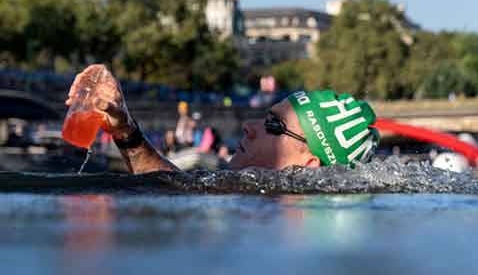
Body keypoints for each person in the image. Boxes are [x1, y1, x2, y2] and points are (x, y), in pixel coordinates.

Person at [65, 64, 379, 174]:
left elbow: (173, 194)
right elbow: (176, 189)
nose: (249, 126)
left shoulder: (269, 217)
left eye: (273, 125)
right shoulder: (255, 198)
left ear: (309, 165)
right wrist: (125, 130)